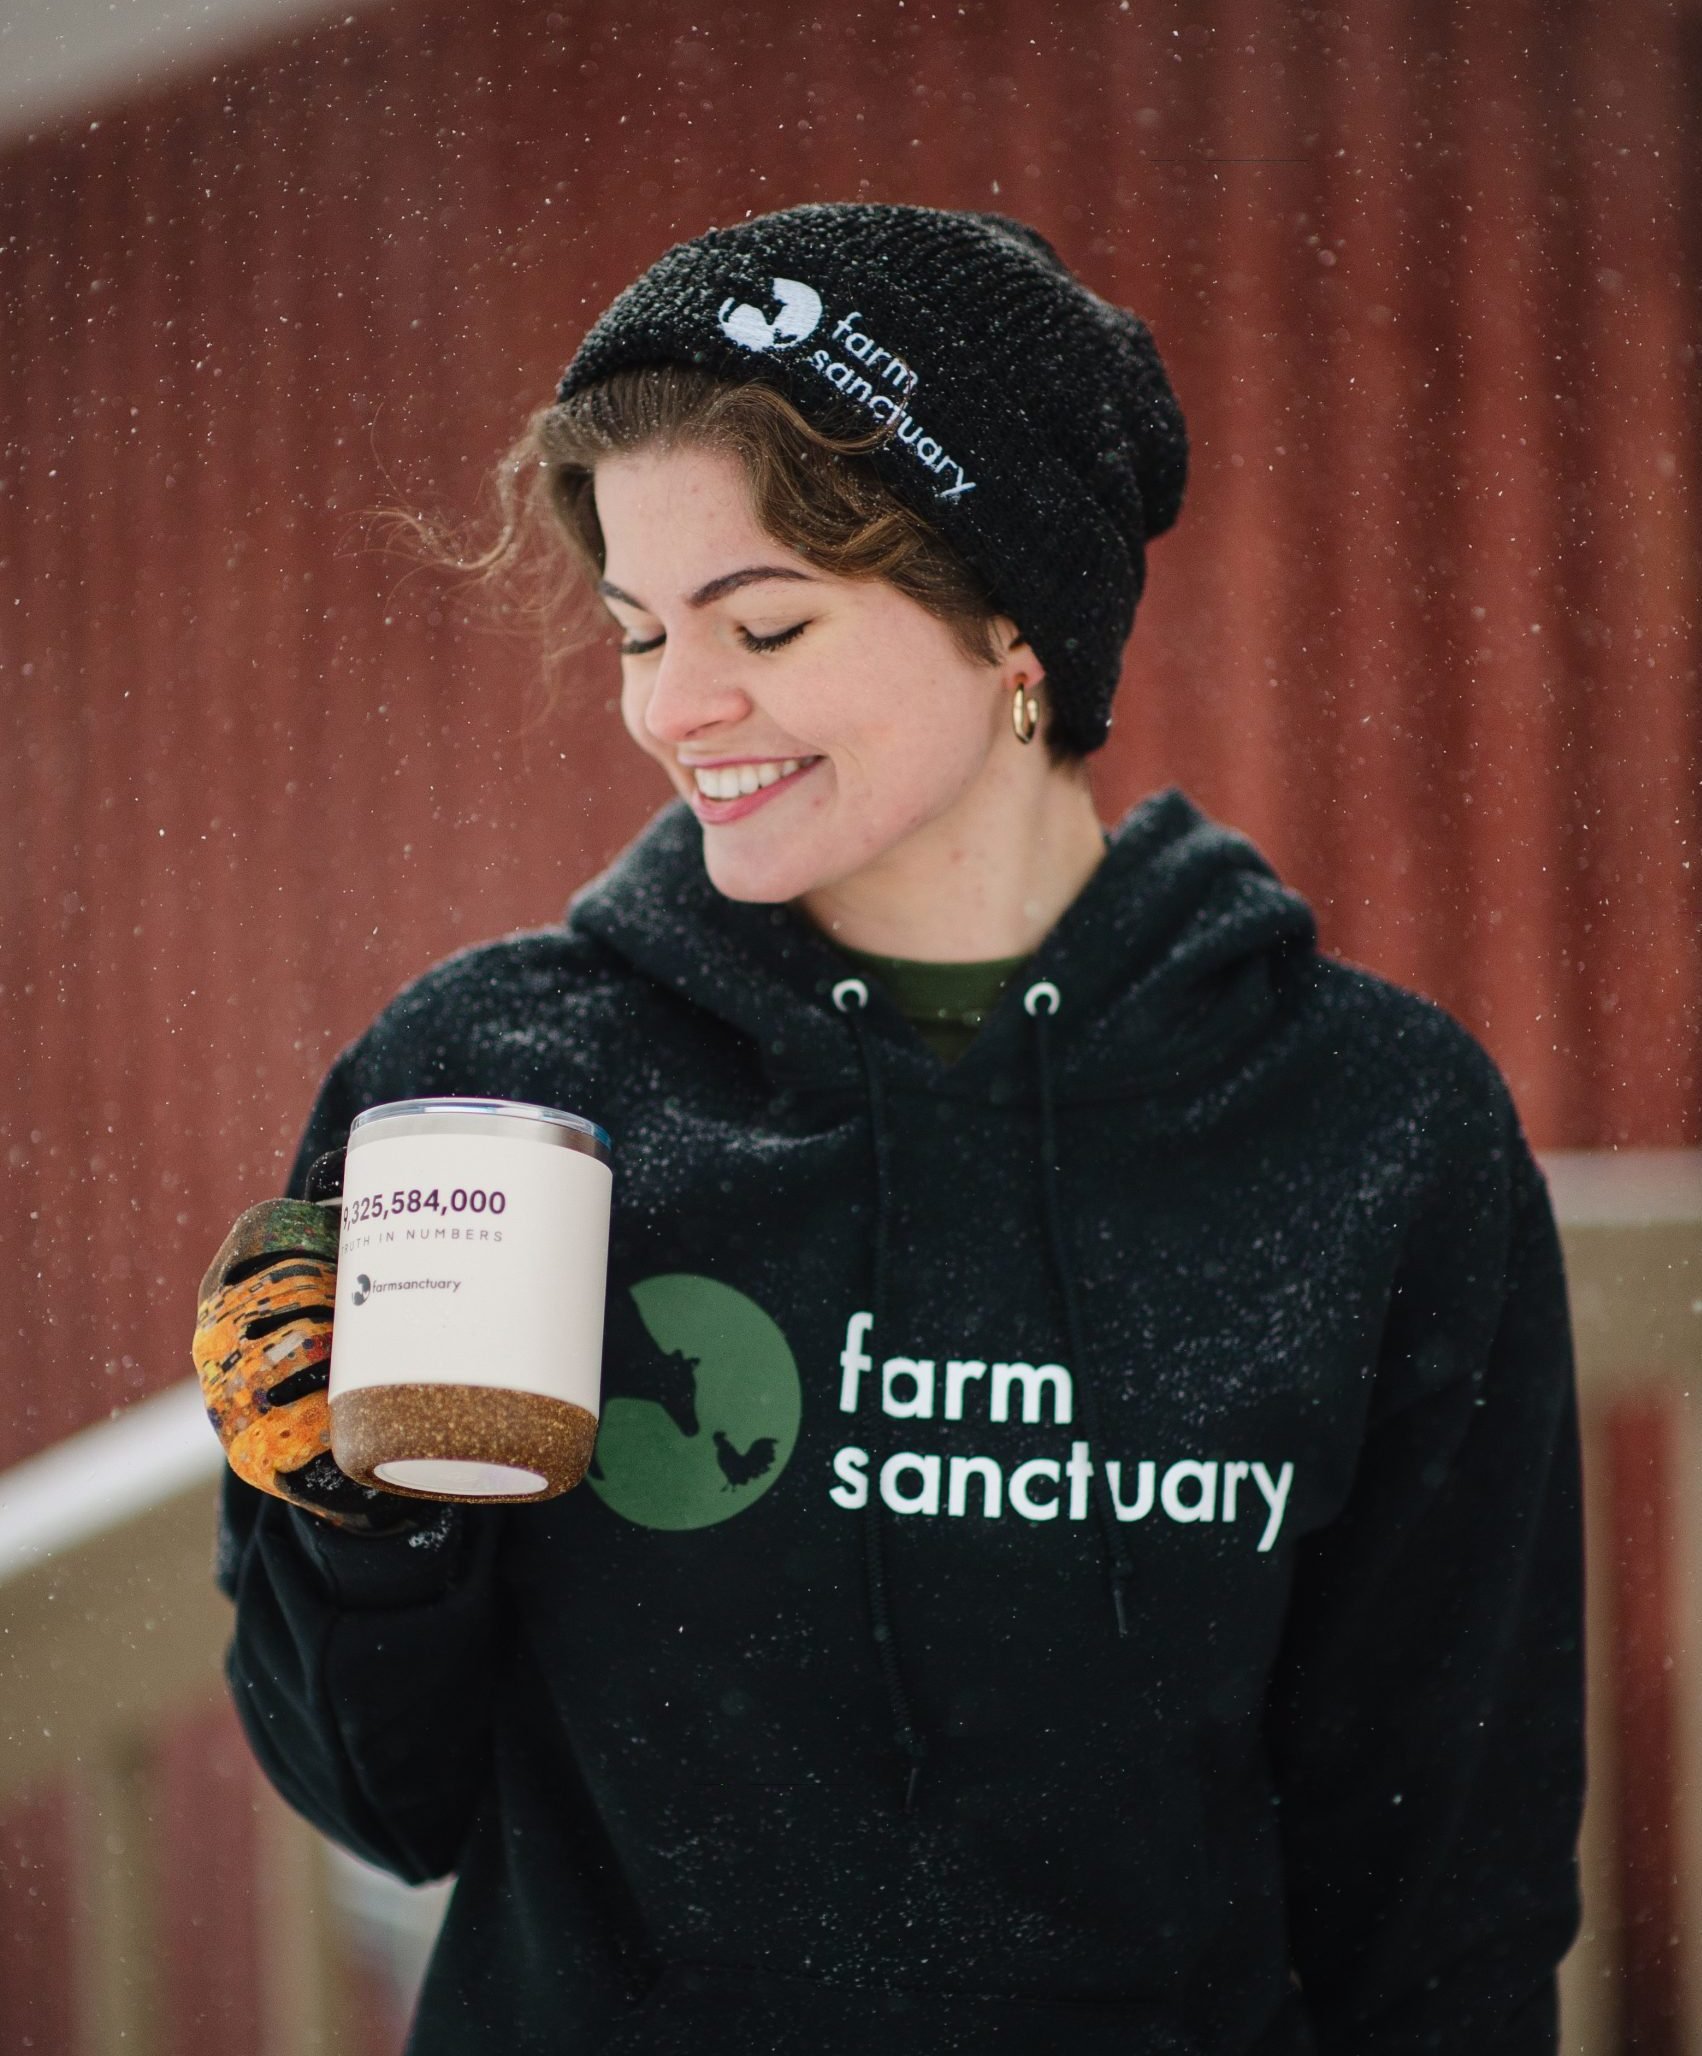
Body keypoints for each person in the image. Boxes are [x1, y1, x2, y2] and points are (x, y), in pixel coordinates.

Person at [195, 203, 1585, 2056]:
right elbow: (385, 1799)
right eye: (635, 632)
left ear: (1011, 619)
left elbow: (1445, 1893)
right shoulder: (503, 1094)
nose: (672, 707)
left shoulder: (1366, 1127)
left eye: (763, 622)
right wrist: (353, 1513)